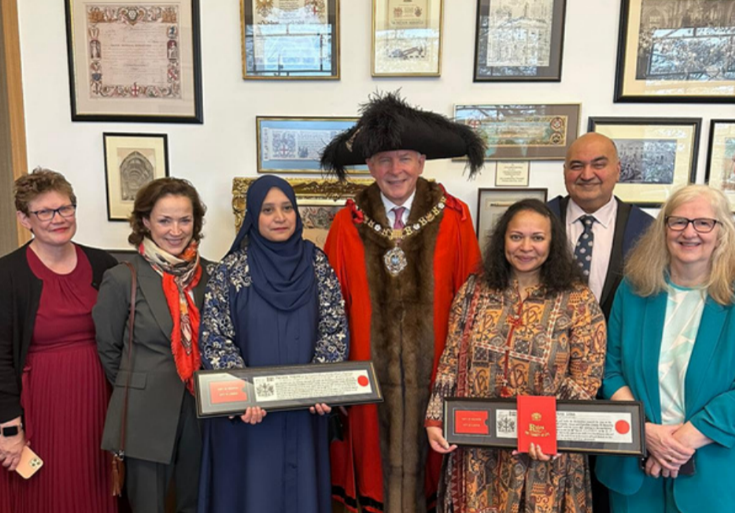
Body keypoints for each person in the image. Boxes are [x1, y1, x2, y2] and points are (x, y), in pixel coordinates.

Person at [320, 92, 484, 513]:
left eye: (405, 158)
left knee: (434, 472)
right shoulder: (346, 222)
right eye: (384, 160)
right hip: (366, 378)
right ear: (369, 166)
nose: (396, 170)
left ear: (422, 162)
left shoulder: (454, 217)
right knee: (370, 472)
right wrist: (333, 376)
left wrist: (463, 380)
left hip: (436, 376)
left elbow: (472, 307)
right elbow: (331, 306)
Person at [426, 199, 607, 513]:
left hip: (544, 455)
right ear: (502, 241)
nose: (526, 247)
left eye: (537, 237)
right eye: (516, 237)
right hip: (477, 451)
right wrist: (435, 418)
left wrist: (551, 431)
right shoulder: (474, 290)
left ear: (553, 243)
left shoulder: (577, 298)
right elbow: (451, 358)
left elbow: (587, 377)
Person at [197, 175, 348, 513]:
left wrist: (322, 384)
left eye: (287, 208)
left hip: (304, 413)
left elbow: (334, 326)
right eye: (268, 209)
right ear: (253, 215)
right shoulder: (231, 270)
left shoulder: (317, 263)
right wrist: (243, 394)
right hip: (249, 418)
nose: (280, 217)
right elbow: (215, 337)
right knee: (252, 495)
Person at [596, 185, 735, 513]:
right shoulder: (634, 289)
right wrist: (643, 431)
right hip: (635, 467)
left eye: (703, 223)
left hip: (713, 468)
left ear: (722, 233)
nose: (690, 232)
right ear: (664, 229)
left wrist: (686, 438)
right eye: (678, 222)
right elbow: (608, 367)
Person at [0, 168, 118, 513]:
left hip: (100, 405)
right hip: (40, 407)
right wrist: (10, 428)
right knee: (45, 496)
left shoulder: (103, 264)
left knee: (95, 490)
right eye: (45, 212)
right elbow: (1, 358)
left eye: (65, 208)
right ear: (25, 219)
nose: (58, 219)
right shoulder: (8, 275)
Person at [93, 177, 210, 513]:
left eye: (185, 219)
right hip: (144, 415)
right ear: (145, 221)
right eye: (164, 220)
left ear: (195, 222)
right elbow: (108, 350)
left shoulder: (212, 276)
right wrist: (142, 385)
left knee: (197, 503)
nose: (176, 230)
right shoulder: (123, 277)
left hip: (201, 413)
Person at [548, 132, 653, 318]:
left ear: (618, 170)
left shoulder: (646, 229)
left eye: (598, 165)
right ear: (565, 172)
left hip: (615, 343)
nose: (587, 175)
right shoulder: (540, 220)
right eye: (576, 166)